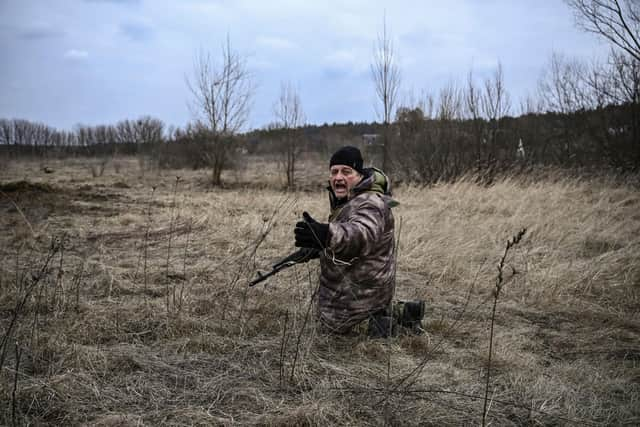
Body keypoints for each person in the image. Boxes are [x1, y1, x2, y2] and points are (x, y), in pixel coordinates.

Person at [294, 146, 424, 337]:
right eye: (334, 172)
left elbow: (361, 234)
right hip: (351, 291)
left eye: (346, 172)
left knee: (340, 332)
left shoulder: (371, 203)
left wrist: (326, 234)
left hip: (359, 298)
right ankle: (398, 312)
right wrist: (319, 247)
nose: (338, 177)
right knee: (329, 325)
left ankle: (381, 322)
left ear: (359, 176)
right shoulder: (349, 200)